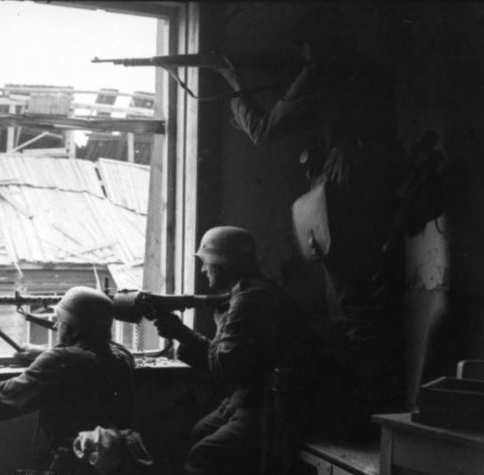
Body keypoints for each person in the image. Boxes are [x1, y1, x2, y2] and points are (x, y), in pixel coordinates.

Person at [217, 6, 408, 438]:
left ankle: (359, 422)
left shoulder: (322, 70)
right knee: (370, 309)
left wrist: (235, 88)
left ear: (314, 44)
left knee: (350, 311)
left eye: (303, 47)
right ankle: (373, 416)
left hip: (345, 193)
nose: (301, 54)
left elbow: (264, 130)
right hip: (380, 189)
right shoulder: (369, 71)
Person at [154, 226, 318, 475]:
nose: (202, 270)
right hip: (249, 399)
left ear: (220, 265)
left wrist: (184, 334)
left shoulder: (249, 300)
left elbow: (225, 369)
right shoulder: (248, 292)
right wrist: (183, 334)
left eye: (205, 263)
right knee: (196, 433)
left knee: (203, 456)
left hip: (270, 408)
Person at [0, 286, 136, 474]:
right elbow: (91, 354)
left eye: (59, 321)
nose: (56, 326)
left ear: (71, 329)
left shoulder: (61, 361)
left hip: (75, 463)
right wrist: (44, 353)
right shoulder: (122, 356)